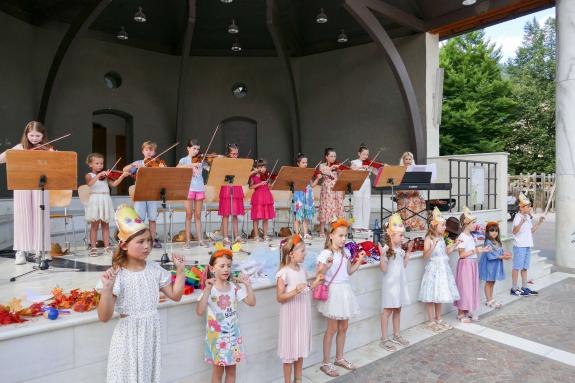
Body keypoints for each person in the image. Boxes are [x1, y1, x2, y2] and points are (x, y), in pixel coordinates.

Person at [97, 204, 186, 383]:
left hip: (150, 336)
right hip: (128, 338)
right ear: (124, 245)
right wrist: (107, 289)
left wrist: (181, 270)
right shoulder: (117, 274)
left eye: (149, 241)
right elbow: (104, 317)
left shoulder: (155, 270)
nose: (147, 246)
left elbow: (176, 296)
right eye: (140, 242)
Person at [196, 249, 256, 383]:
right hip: (217, 338)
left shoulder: (234, 287)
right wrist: (206, 290)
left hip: (233, 337)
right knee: (218, 372)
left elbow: (251, 302)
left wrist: (248, 285)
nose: (226, 269)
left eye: (229, 266)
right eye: (222, 266)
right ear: (212, 268)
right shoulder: (210, 290)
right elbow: (199, 311)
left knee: (232, 371)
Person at [316, 218, 365, 377]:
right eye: (340, 235)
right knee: (331, 329)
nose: (344, 239)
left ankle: (339, 358)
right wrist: (326, 266)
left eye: (345, 235)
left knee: (344, 327)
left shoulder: (346, 252)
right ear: (331, 236)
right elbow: (319, 273)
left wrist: (359, 261)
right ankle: (325, 362)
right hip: (334, 293)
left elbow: (349, 271)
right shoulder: (326, 253)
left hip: (345, 292)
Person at [0, 121, 51, 265]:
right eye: (31, 135)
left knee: (41, 217)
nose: (34, 138)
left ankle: (42, 250)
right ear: (26, 134)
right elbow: (2, 158)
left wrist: (52, 154)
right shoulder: (19, 148)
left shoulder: (47, 149)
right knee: (23, 217)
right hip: (22, 186)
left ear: (43, 135)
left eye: (38, 135)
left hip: (40, 187)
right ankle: (20, 252)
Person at [276, 234, 323, 383]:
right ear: (291, 254)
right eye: (302, 251)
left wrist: (314, 283)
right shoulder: (283, 273)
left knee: (299, 349)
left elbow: (304, 288)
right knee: (289, 352)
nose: (305, 254)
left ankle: (298, 379)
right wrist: (295, 291)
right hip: (291, 316)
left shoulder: (302, 270)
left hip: (302, 314)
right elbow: (280, 297)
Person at [418, 207, 461, 332]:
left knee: (439, 294)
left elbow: (446, 252)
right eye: (442, 225)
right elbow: (425, 256)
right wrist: (432, 246)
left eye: (444, 225)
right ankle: (431, 321)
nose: (444, 228)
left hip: (443, 269)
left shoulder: (443, 238)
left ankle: (439, 318)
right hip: (433, 270)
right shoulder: (429, 239)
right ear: (434, 226)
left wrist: (455, 245)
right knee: (431, 295)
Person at [378, 213, 413, 351]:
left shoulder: (400, 250)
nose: (403, 238)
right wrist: (381, 255)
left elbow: (403, 265)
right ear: (391, 235)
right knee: (387, 311)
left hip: (400, 283)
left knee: (398, 308)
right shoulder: (387, 250)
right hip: (390, 285)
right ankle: (384, 338)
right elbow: (383, 268)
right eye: (400, 235)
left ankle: (396, 334)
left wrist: (409, 252)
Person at [85, 153, 129, 256]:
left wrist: (122, 176)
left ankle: (107, 247)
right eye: (97, 163)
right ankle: (93, 248)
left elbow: (114, 184)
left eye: (101, 163)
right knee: (94, 226)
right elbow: (89, 184)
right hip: (95, 200)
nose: (100, 165)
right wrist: (98, 175)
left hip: (105, 199)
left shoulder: (106, 176)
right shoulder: (89, 175)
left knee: (105, 226)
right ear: (90, 164)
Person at [123, 141, 165, 248]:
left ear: (154, 152)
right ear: (143, 151)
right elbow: (125, 170)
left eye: (151, 150)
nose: (149, 152)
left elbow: (165, 172)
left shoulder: (157, 163)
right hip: (140, 192)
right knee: (139, 218)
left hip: (152, 192)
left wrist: (162, 168)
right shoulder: (139, 163)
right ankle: (140, 240)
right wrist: (133, 165)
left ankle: (152, 240)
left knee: (152, 218)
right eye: (146, 150)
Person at [455, 207, 491, 322]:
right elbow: (461, 254)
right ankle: (461, 312)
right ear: (466, 224)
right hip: (465, 265)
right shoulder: (462, 237)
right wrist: (476, 251)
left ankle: (468, 309)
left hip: (472, 264)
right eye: (473, 223)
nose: (475, 225)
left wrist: (483, 249)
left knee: (471, 287)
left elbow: (472, 249)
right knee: (464, 287)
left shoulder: (471, 236)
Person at [177, 139, 209, 248]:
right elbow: (177, 168)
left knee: (198, 215)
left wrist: (213, 161)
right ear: (188, 148)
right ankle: (188, 241)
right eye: (194, 148)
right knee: (189, 214)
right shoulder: (184, 160)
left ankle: (200, 240)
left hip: (199, 188)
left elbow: (209, 168)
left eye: (198, 149)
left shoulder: (201, 160)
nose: (196, 151)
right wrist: (189, 165)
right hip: (188, 189)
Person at [510, 193, 544, 296]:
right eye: (528, 206)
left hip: (527, 245)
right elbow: (514, 231)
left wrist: (539, 223)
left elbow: (531, 231)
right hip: (519, 246)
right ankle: (514, 288)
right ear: (521, 207)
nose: (530, 208)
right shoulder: (517, 217)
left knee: (525, 268)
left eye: (529, 206)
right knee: (517, 267)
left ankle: (524, 287)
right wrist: (521, 222)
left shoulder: (528, 217)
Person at [218, 144, 245, 244]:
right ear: (228, 154)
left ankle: (237, 236)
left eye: (236, 154)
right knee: (226, 214)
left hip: (236, 187)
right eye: (233, 154)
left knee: (235, 214)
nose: (235, 156)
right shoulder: (224, 162)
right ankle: (225, 237)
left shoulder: (239, 163)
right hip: (226, 188)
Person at [480, 221, 511, 308]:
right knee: (489, 282)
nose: (494, 233)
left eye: (496, 231)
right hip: (490, 265)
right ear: (487, 232)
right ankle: (488, 300)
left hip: (495, 265)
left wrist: (505, 253)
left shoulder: (496, 241)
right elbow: (491, 255)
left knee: (492, 281)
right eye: (492, 231)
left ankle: (491, 299)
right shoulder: (488, 242)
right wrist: (502, 257)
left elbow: (499, 251)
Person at [396, 152, 427, 231]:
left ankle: (418, 226)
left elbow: (419, 186)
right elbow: (396, 187)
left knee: (420, 200)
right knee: (408, 201)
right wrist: (406, 192)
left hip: (414, 194)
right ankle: (407, 225)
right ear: (403, 160)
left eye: (410, 159)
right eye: (406, 159)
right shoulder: (399, 170)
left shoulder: (416, 170)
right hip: (403, 194)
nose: (408, 161)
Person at [291, 153, 319, 240]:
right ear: (298, 163)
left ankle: (306, 233)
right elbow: (293, 184)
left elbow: (312, 185)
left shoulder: (308, 172)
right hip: (298, 195)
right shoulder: (295, 172)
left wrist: (318, 178)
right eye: (303, 162)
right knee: (298, 215)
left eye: (306, 162)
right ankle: (297, 234)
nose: (305, 164)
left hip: (307, 195)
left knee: (306, 215)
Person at [318, 148, 344, 236]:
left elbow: (341, 177)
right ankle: (321, 229)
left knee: (336, 207)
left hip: (337, 188)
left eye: (334, 156)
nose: (333, 158)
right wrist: (331, 168)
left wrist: (340, 171)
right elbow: (322, 172)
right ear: (326, 157)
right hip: (327, 189)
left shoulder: (337, 165)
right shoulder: (322, 165)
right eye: (331, 156)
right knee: (326, 207)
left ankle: (334, 229)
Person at [249, 159, 275, 241]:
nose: (263, 169)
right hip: (258, 198)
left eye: (264, 167)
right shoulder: (253, 176)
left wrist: (272, 182)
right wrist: (260, 183)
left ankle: (265, 235)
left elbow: (270, 187)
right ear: (257, 168)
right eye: (261, 167)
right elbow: (250, 187)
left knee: (266, 217)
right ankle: (256, 236)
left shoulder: (266, 176)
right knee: (256, 218)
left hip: (267, 197)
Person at [350, 144, 372, 233]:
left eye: (367, 155)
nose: (365, 156)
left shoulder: (369, 163)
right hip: (358, 182)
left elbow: (374, 172)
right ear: (359, 153)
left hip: (367, 183)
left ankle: (365, 226)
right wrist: (361, 167)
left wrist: (370, 167)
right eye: (364, 154)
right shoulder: (354, 162)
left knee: (366, 204)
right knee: (357, 204)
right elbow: (352, 169)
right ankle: (356, 226)